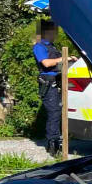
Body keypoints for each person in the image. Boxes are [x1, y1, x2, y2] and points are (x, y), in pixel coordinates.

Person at [32, 21, 73, 156]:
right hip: (48, 84)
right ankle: (53, 143)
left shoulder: (52, 46)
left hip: (57, 82)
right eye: (53, 31)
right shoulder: (39, 46)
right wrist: (64, 58)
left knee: (58, 112)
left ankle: (57, 140)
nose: (55, 34)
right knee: (54, 112)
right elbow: (46, 63)